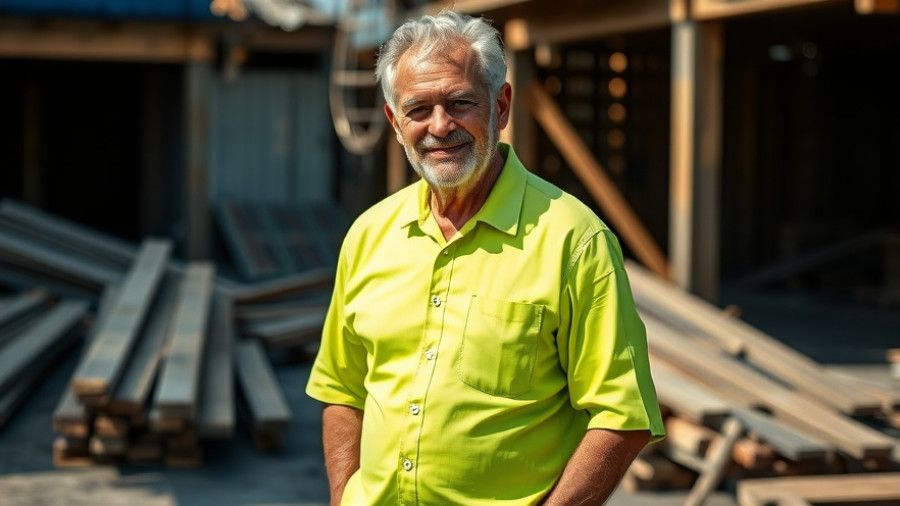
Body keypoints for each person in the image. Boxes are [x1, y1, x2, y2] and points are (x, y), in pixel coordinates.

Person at [306, 10, 665, 505]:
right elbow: (342, 390)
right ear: (393, 122)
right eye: (417, 109)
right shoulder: (369, 235)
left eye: (460, 103)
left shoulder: (574, 240)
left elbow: (623, 415)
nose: (439, 126)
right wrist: (344, 496)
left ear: (502, 105)